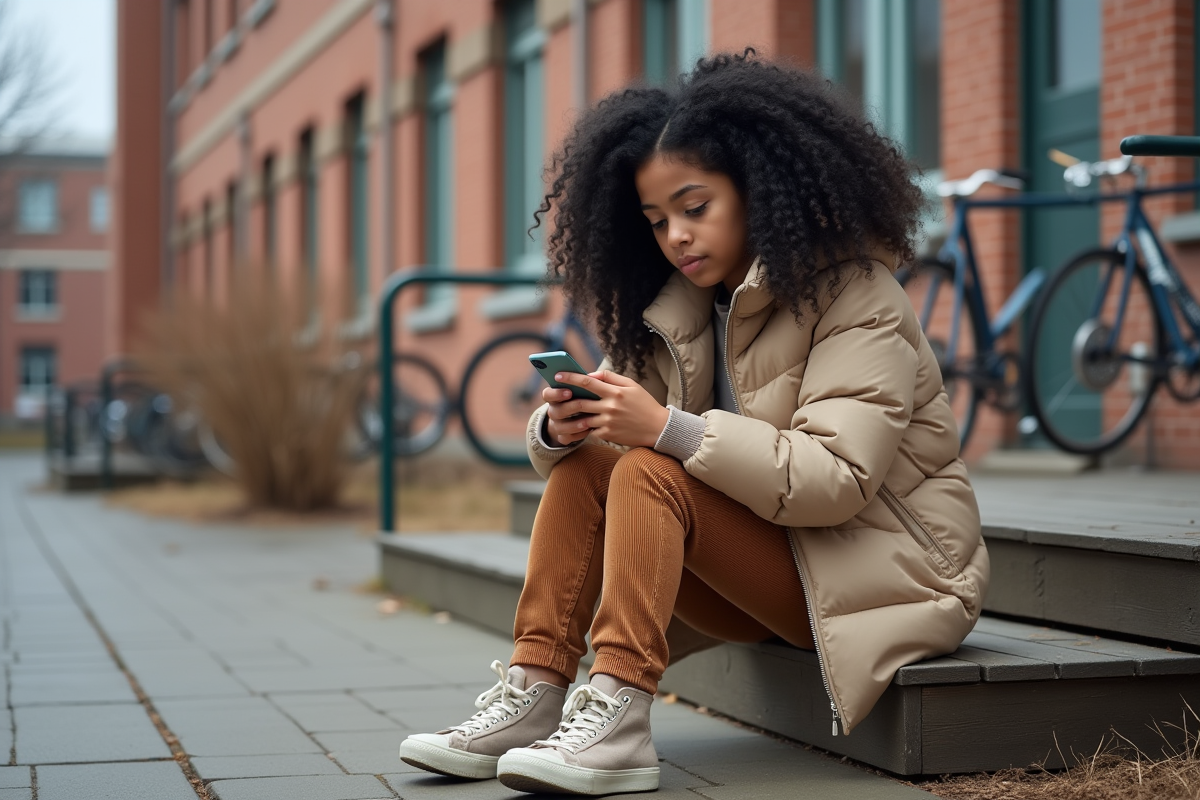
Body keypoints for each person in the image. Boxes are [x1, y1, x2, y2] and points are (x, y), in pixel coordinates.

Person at [399, 50, 989, 796]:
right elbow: (601, 458)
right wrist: (562, 430)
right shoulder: (673, 309)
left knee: (651, 467)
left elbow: (835, 480)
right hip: (764, 566)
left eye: (695, 206)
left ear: (758, 189)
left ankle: (619, 711)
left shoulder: (856, 296)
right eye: (656, 221)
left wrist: (667, 427)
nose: (676, 235)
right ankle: (534, 688)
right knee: (593, 467)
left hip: (884, 574)